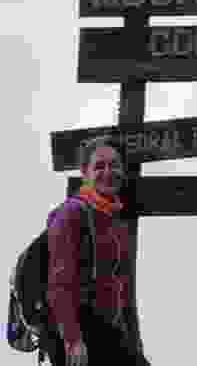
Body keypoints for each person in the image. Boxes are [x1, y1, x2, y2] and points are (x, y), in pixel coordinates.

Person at [43, 135, 150, 365]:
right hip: (79, 331)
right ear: (85, 173)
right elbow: (59, 283)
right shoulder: (72, 213)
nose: (108, 172)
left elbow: (122, 289)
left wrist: (133, 342)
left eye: (114, 165)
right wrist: (72, 340)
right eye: (99, 166)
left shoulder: (114, 220)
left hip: (108, 331)